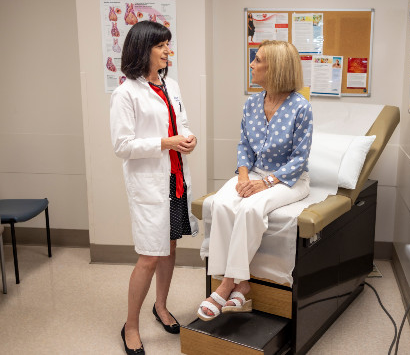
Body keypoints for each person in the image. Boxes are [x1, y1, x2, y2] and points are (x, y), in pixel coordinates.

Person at [197, 40, 313, 321]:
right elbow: (244, 146)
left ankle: (227, 284)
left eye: (258, 60)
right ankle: (243, 284)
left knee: (250, 209)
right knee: (220, 204)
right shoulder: (251, 103)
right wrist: (245, 176)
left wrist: (267, 182)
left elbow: (300, 158)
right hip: (255, 173)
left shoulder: (301, 108)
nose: (252, 65)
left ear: (275, 67)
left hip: (289, 179)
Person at [110, 20, 198, 354]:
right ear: (143, 48)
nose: (167, 51)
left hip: (175, 179)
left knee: (170, 247)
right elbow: (122, 145)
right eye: (161, 46)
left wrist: (187, 138)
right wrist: (167, 142)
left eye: (167, 45)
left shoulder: (170, 84)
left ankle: (160, 306)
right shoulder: (125, 93)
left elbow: (182, 122)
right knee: (149, 256)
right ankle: (130, 326)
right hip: (149, 184)